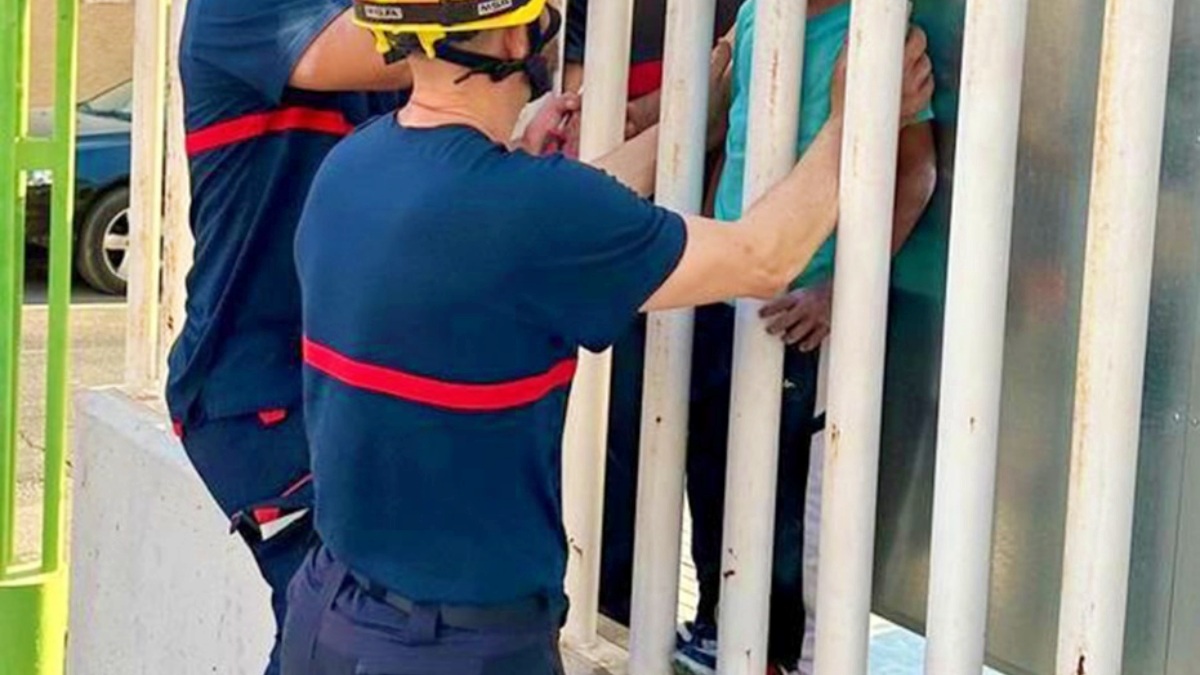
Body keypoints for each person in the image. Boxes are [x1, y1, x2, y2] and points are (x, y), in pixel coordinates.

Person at [282, 1, 931, 672]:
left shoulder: (350, 170)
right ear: (513, 34)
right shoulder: (533, 210)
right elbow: (764, 256)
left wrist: (697, 102)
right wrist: (852, 115)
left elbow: (560, 218)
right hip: (456, 646)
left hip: (325, 612)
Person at [674, 1, 938, 673]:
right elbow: (729, 141)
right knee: (711, 477)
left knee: (791, 510)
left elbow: (916, 172)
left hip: (800, 310)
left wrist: (842, 291)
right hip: (723, 295)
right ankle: (717, 632)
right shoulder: (760, 12)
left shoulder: (874, 31)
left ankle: (779, 655)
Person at [170, 3, 417, 672]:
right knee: (353, 623)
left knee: (339, 627)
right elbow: (408, 43)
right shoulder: (245, 10)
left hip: (345, 379)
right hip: (258, 392)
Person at [559, 0, 745, 627]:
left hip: (723, 259)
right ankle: (616, 621)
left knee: (736, 463)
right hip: (628, 257)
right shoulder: (603, 14)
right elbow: (587, 111)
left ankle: (733, 636)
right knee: (620, 446)